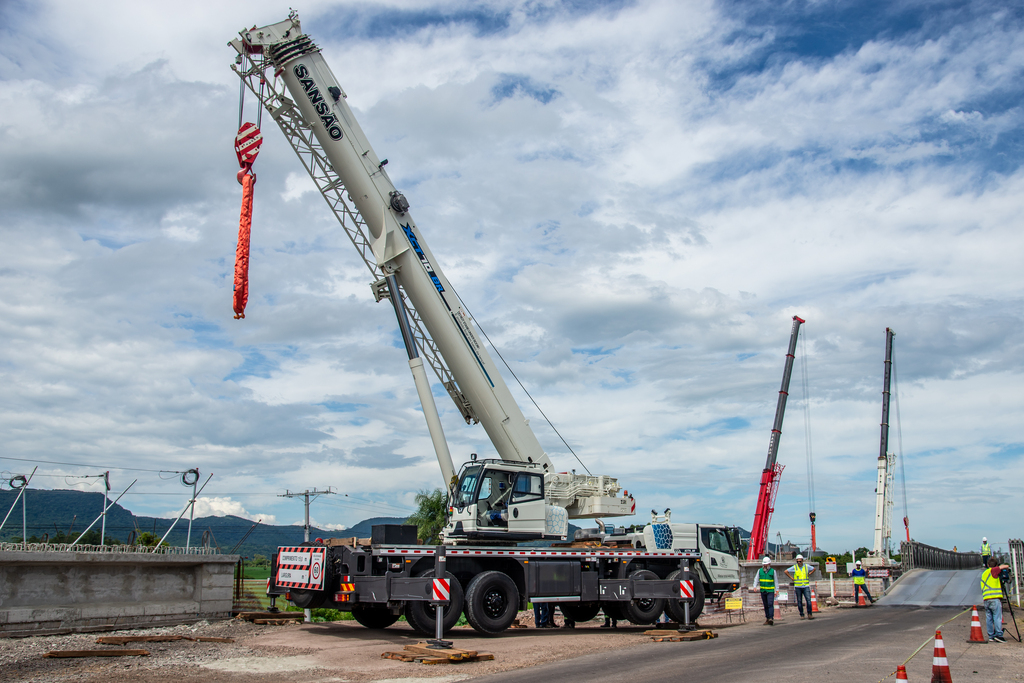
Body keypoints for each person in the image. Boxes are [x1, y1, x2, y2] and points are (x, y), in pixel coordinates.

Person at [981, 557, 1011, 643]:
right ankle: (998, 635)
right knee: (997, 617)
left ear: (988, 565)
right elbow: (1005, 566)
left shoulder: (984, 573)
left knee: (989, 618)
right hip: (994, 599)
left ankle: (991, 636)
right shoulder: (993, 571)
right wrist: (1003, 567)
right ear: (996, 566)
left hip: (986, 599)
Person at [785, 554, 817, 619]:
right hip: (798, 586)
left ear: (802, 561)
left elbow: (814, 569)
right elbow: (786, 571)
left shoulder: (806, 566)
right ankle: (802, 614)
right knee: (799, 601)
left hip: (805, 586)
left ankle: (809, 614)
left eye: (800, 561)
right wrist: (791, 578)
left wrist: (810, 573)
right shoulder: (795, 567)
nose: (799, 562)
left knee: (808, 600)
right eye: (797, 561)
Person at [758, 556, 777, 625]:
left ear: (769, 564)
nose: (765, 566)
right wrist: (754, 586)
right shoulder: (760, 571)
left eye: (766, 564)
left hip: (770, 591)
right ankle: (767, 618)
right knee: (765, 605)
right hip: (763, 591)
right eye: (764, 564)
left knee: (770, 604)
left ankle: (771, 618)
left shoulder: (773, 571)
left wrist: (777, 590)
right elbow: (756, 579)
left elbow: (776, 581)